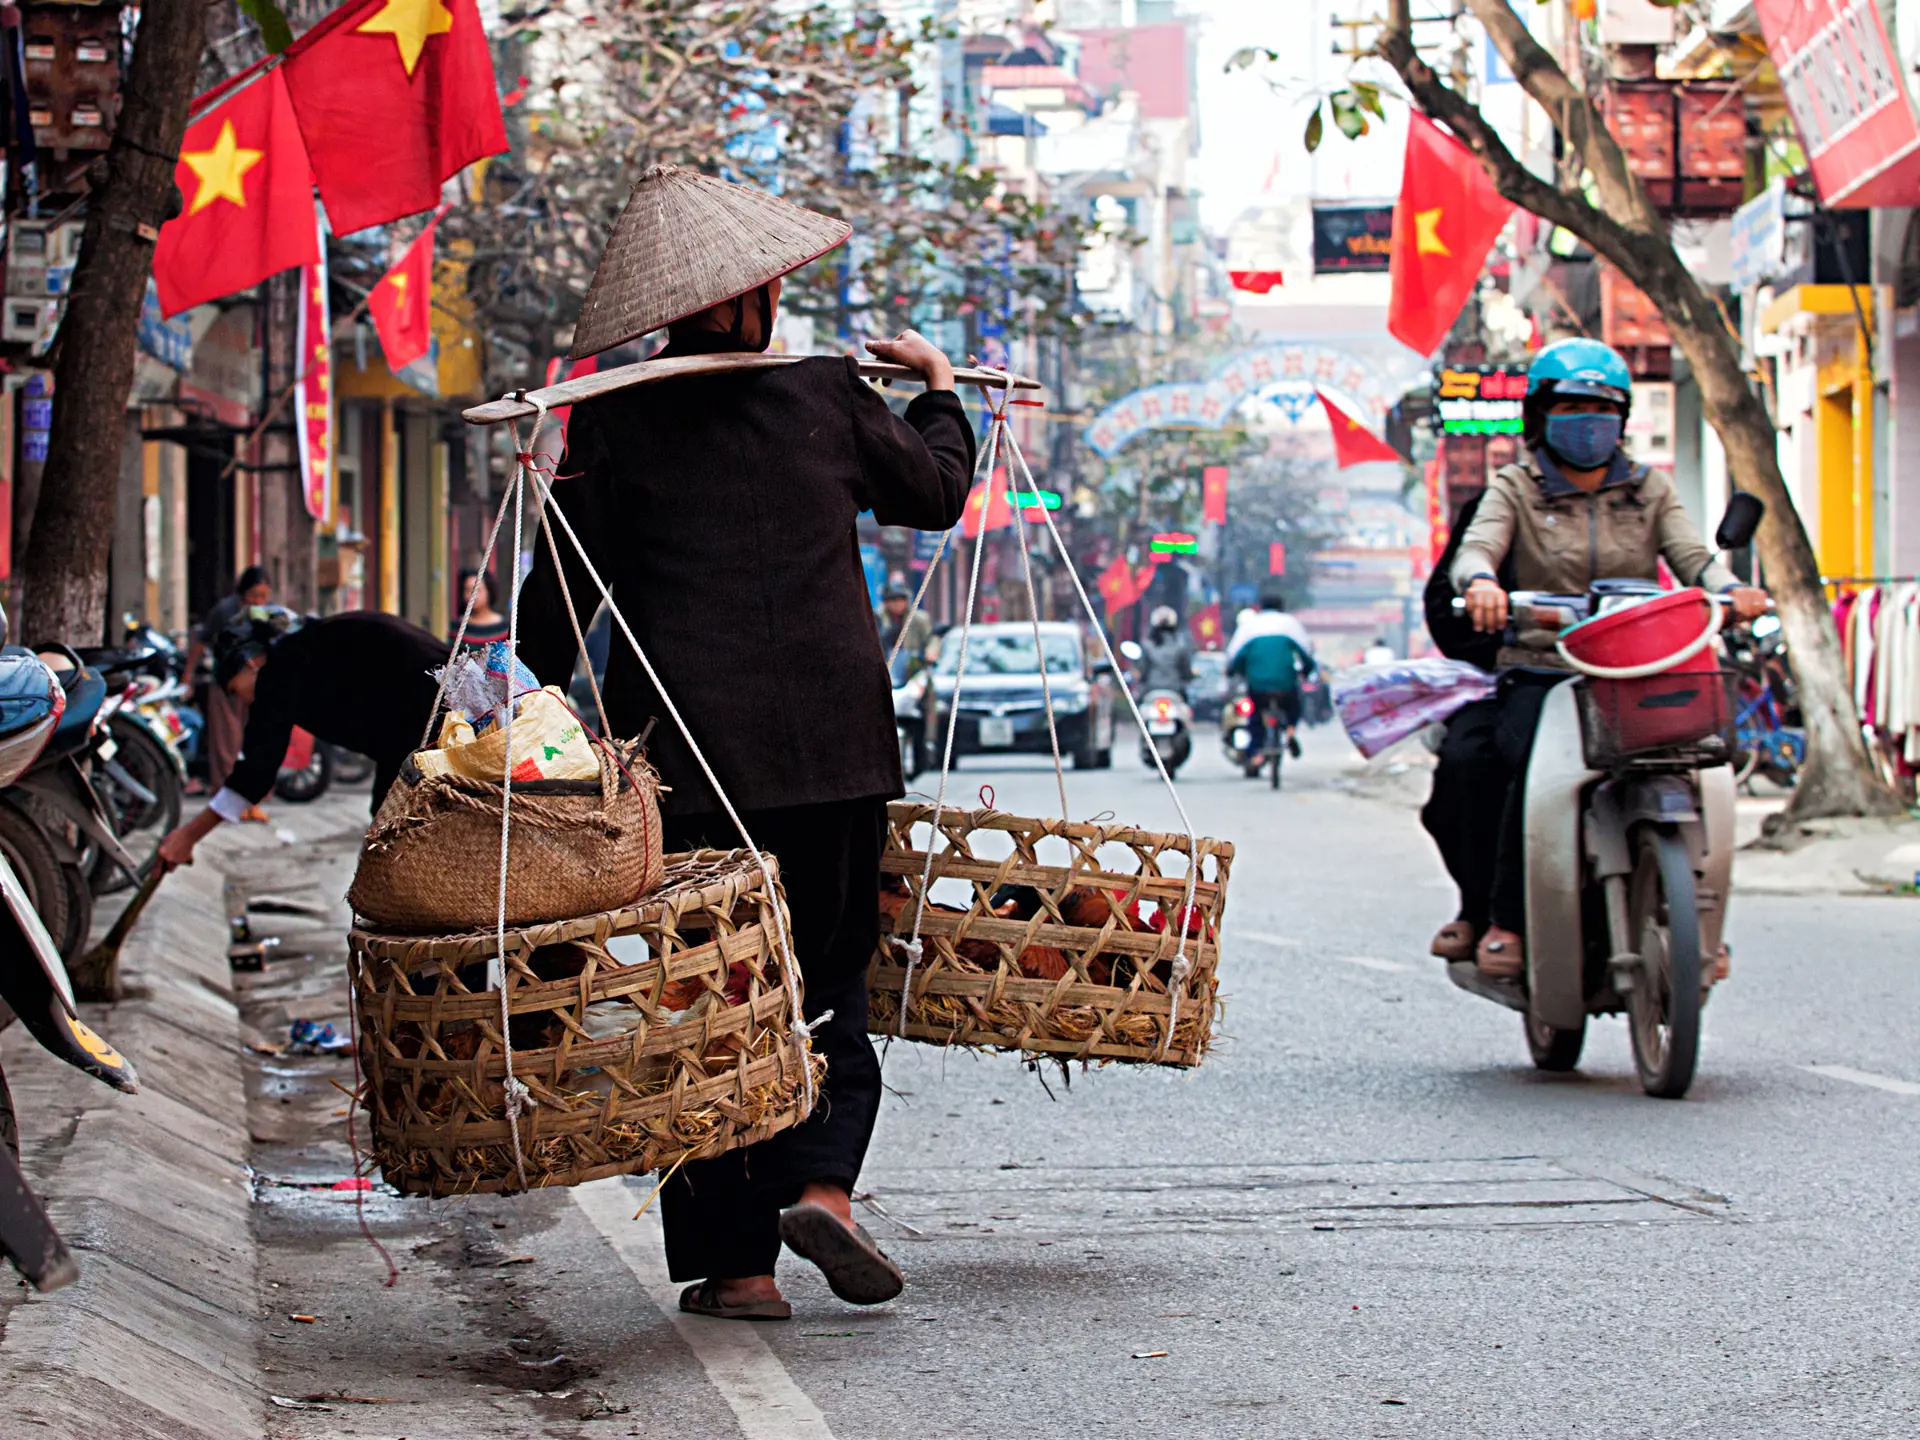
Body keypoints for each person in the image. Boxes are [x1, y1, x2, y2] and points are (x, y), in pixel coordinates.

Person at [517, 164, 974, 1322]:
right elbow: (933, 493)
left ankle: (741, 1268)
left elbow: (551, 614)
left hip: (690, 766)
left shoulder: (612, 415)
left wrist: (537, 703)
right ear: (760, 292)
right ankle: (825, 1183)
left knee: (701, 1000)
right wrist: (935, 387)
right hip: (838, 753)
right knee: (830, 978)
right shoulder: (826, 393)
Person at [1444, 337, 1768, 978]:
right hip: (1546, 666)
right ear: (1541, 416)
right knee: (1514, 766)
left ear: (1621, 419)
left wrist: (1730, 591)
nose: (1587, 420)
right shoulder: (1515, 487)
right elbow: (1477, 549)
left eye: (1600, 407)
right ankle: (1506, 917)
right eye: (1570, 406)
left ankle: (1702, 924)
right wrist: (1481, 584)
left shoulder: (1651, 490)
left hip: (1640, 669)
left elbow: (1693, 560)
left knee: (1701, 765)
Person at [156, 608, 447, 868]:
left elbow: (257, 771)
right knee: (388, 820)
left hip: (430, 708)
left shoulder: (278, 671)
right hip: (423, 712)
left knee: (393, 827)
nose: (242, 701)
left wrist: (188, 836)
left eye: (235, 690)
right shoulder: (303, 648)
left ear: (250, 664)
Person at [183, 566, 273, 813]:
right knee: (227, 744)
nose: (259, 601)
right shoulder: (225, 611)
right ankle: (228, 803)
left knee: (254, 740)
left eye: (264, 596)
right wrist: (187, 675)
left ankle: (251, 799)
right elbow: (201, 642)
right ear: (243, 593)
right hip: (226, 683)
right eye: (255, 595)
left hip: (255, 685)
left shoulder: (267, 613)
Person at [1226, 587, 1313, 759]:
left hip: (1258, 685)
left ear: (1260, 607)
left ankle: (1257, 752)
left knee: (1255, 714)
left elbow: (1234, 656)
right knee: (1293, 706)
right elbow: (1306, 652)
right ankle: (1290, 731)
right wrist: (1306, 671)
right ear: (1282, 606)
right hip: (1285, 684)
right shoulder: (1290, 623)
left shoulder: (1250, 626)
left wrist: (1238, 672)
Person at [878, 579, 932, 684]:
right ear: (886, 602)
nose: (898, 604)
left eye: (901, 600)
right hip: (887, 668)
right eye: (893, 600)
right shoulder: (876, 619)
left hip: (915, 669)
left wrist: (931, 651)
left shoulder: (919, 619)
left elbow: (931, 638)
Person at [1133, 606, 1193, 694]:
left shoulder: (1147, 645)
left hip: (1151, 690)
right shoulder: (1180, 645)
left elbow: (1143, 671)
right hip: (1175, 691)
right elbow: (1186, 672)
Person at [456, 566, 511, 645]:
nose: (472, 595)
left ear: (489, 591)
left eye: (477, 590)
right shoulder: (457, 627)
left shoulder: (504, 628)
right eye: (467, 590)